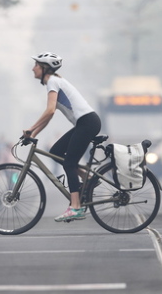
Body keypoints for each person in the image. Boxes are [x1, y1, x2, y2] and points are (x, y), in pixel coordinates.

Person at [23, 52, 102, 222]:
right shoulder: (54, 82)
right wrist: (33, 134)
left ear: (44, 68)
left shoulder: (53, 82)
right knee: (56, 151)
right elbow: (49, 116)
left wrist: (30, 128)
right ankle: (87, 178)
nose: (32, 68)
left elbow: (50, 110)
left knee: (69, 163)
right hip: (85, 123)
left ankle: (76, 208)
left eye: (35, 65)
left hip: (87, 122)